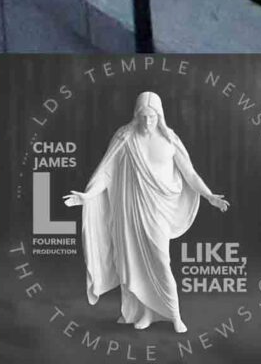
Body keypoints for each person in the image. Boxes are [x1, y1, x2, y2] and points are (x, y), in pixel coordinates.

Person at [65, 90, 229, 335]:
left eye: (152, 117)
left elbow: (190, 173)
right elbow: (107, 173)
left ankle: (174, 315)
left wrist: (209, 195)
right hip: (131, 210)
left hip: (159, 210)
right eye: (142, 116)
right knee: (135, 262)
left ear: (159, 116)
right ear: (136, 115)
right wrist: (87, 196)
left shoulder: (170, 139)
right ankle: (146, 313)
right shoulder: (125, 137)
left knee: (161, 261)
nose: (147, 122)